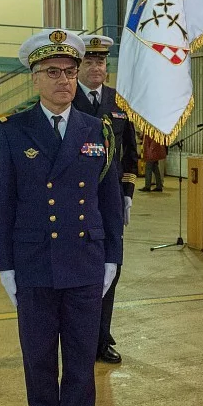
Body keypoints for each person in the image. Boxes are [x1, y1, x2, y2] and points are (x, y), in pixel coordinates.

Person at [0, 29, 124, 406]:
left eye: (70, 71)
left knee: (83, 357)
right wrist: (4, 266)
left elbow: (108, 199)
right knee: (40, 357)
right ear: (35, 78)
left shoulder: (96, 129)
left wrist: (112, 257)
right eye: (53, 72)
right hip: (35, 263)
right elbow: (3, 202)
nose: (64, 80)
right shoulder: (12, 130)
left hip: (85, 261)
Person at [71, 34, 138, 364]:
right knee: (80, 267)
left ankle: (101, 338)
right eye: (90, 61)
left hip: (110, 201)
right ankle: (78, 337)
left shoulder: (119, 102)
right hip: (77, 199)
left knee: (112, 266)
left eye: (101, 61)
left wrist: (127, 194)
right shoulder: (67, 99)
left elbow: (131, 154)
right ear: (78, 66)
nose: (96, 66)